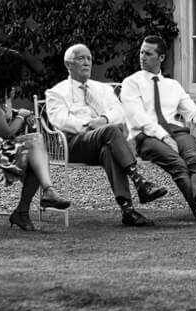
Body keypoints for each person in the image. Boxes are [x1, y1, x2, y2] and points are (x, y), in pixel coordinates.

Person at [45, 43, 168, 227]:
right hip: (75, 144)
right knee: (110, 130)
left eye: (89, 58)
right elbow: (60, 120)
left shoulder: (101, 89)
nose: (87, 63)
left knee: (109, 150)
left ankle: (128, 211)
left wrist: (103, 118)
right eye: (81, 58)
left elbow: (119, 111)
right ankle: (140, 182)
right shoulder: (56, 92)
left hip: (104, 141)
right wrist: (90, 125)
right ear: (68, 64)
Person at [0, 47, 71, 233]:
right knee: (35, 150)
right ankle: (45, 193)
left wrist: (11, 105)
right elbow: (7, 132)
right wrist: (22, 116)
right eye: (15, 74)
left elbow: (4, 120)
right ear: (5, 73)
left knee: (36, 153)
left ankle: (27, 208)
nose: (19, 78)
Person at [121, 35, 196, 221]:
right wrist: (164, 137)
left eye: (148, 53)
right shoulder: (131, 83)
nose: (142, 57)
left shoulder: (173, 86)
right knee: (178, 164)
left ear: (161, 58)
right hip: (146, 136)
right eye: (141, 52)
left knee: (195, 159)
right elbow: (138, 118)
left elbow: (192, 113)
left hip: (176, 131)